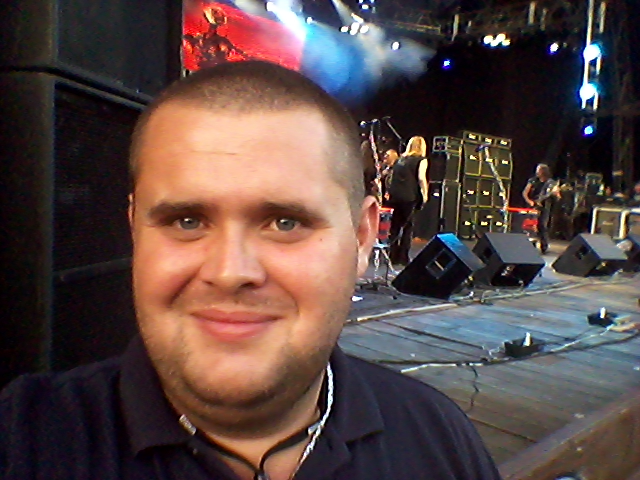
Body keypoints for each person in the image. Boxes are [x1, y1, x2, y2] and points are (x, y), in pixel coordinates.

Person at [0, 61, 500, 480]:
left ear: (362, 237)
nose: (229, 271)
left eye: (285, 222)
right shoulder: (24, 438)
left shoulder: (439, 440)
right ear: (135, 232)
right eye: (187, 221)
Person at [386, 136, 429, 266]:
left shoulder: (400, 159)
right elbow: (421, 178)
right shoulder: (421, 160)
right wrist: (425, 194)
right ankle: (403, 257)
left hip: (395, 196)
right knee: (407, 227)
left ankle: (392, 256)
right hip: (409, 197)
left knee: (394, 227)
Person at [522, 163, 560, 254]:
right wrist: (530, 201)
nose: (537, 172)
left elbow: (557, 196)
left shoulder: (551, 183)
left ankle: (544, 245)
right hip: (532, 205)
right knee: (529, 225)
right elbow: (525, 193)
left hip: (544, 206)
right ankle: (530, 243)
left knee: (542, 225)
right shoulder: (533, 180)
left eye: (538, 170)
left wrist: (556, 193)